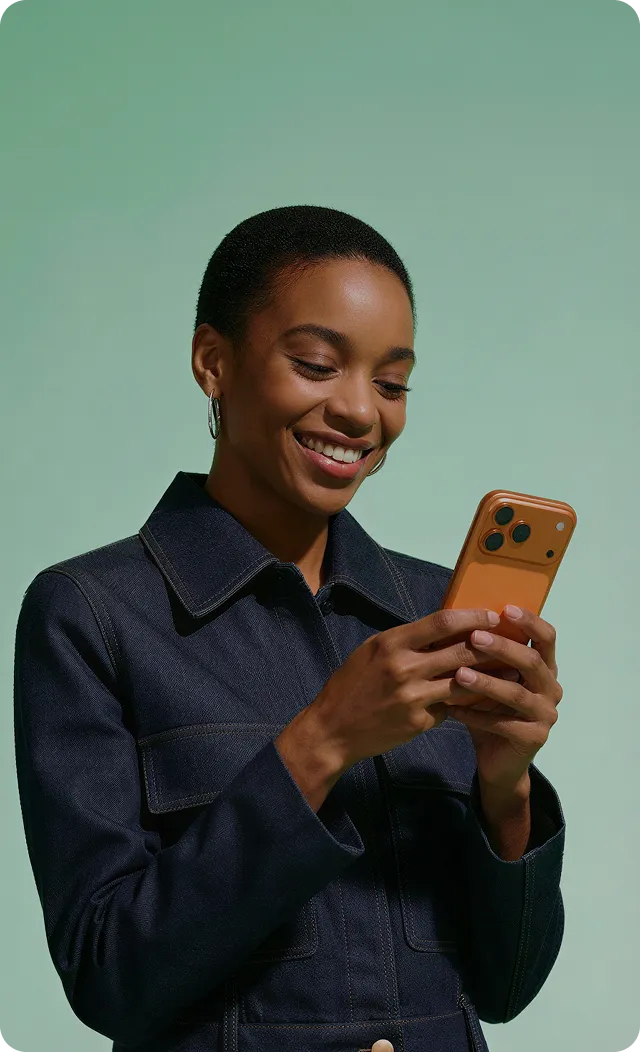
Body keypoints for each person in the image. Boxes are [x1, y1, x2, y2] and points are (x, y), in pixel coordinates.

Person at [13, 205, 566, 1052]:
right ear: (213, 362)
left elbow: (506, 988)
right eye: (315, 363)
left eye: (391, 383)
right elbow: (107, 977)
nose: (358, 411)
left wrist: (506, 783)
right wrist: (321, 743)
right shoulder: (90, 614)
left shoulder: (437, 611)